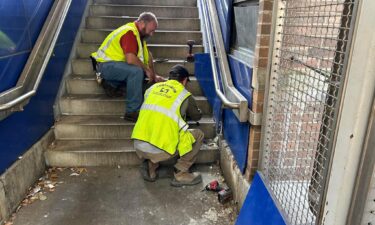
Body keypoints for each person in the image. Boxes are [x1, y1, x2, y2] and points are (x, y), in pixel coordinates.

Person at [131, 64, 204, 187]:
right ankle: (181, 173)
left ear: (169, 78)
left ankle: (151, 167)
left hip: (138, 145)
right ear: (185, 80)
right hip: (162, 150)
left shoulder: (152, 88)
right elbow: (197, 116)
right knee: (199, 135)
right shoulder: (184, 94)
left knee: (158, 128)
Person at [91, 12, 164, 122]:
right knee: (136, 72)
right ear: (142, 23)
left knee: (141, 76)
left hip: (117, 67)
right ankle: (132, 111)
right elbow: (130, 59)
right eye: (151, 30)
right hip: (105, 66)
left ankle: (111, 86)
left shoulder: (139, 37)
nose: (152, 34)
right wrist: (146, 70)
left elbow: (148, 57)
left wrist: (154, 75)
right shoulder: (130, 32)